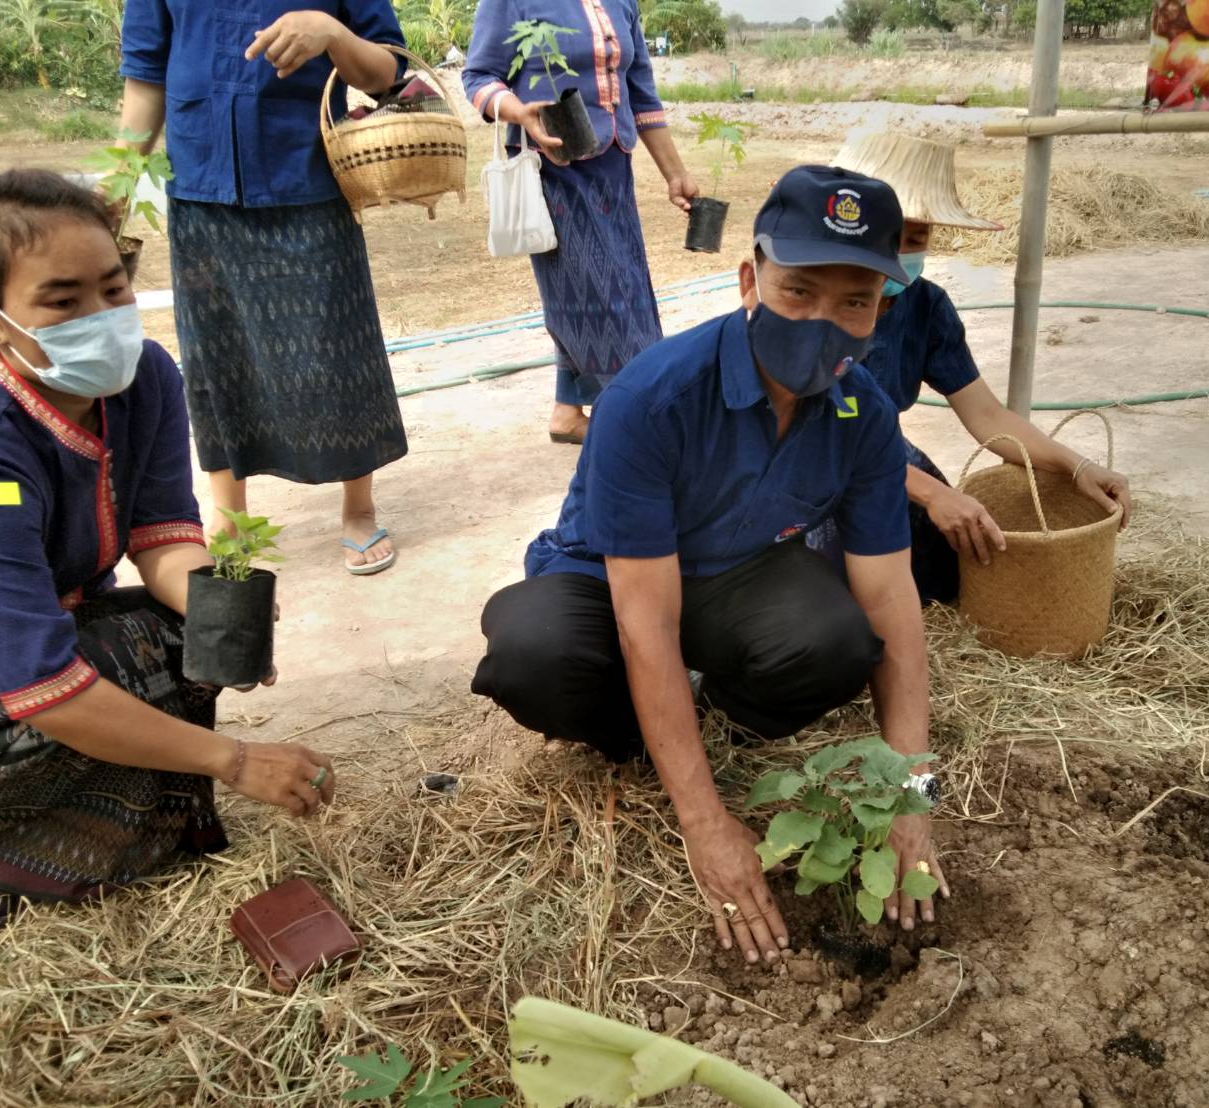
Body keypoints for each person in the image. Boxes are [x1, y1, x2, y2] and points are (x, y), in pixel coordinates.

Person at [472, 167, 951, 963]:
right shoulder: (651, 397)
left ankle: (713, 710)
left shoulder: (861, 412)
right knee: (534, 655)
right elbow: (644, 618)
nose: (822, 323)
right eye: (798, 292)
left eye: (853, 303)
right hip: (609, 577)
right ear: (748, 281)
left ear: (879, 310)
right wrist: (705, 820)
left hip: (739, 574)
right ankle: (646, 738)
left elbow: (890, 598)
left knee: (835, 640)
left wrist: (913, 796)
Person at [0, 170, 336, 937]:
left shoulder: (145, 377)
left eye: (113, 289)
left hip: (45, 639)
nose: (100, 317)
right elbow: (44, 685)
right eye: (61, 301)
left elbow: (161, 537)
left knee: (185, 639)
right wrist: (238, 760)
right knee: (102, 678)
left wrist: (226, 607)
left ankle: (128, 835)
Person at [119, 2, 408, 575]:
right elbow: (147, 75)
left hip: (308, 180)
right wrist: (120, 178)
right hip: (200, 185)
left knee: (336, 349)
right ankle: (229, 520)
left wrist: (330, 32)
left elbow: (386, 70)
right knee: (216, 358)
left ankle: (358, 507)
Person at [824, 133, 1132, 603]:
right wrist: (931, 494)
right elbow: (818, 436)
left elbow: (987, 417)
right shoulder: (813, 303)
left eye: (916, 238)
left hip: (882, 453)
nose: (900, 253)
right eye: (889, 236)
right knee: (841, 602)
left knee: (961, 566)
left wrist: (1077, 466)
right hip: (807, 465)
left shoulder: (926, 306)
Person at [462, 0, 698, 445]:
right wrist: (517, 111)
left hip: (612, 171)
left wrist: (675, 174)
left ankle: (568, 411)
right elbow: (477, 77)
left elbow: (640, 90)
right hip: (554, 169)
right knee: (604, 294)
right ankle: (648, 422)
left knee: (622, 286)